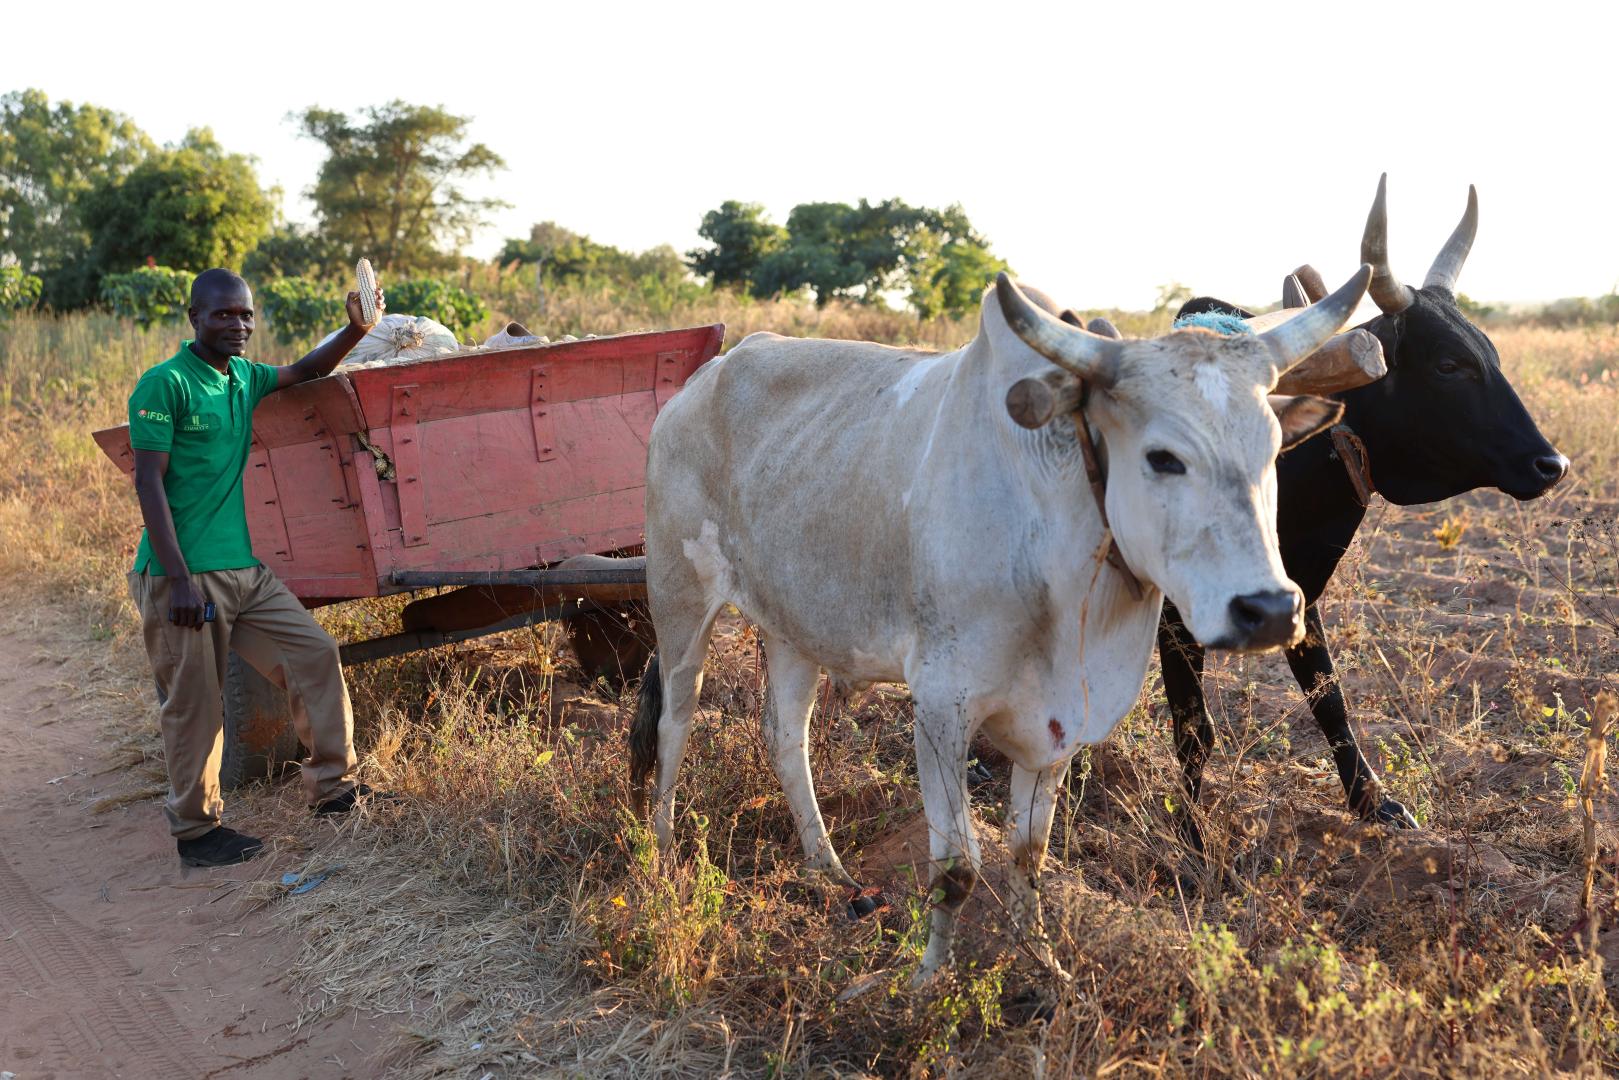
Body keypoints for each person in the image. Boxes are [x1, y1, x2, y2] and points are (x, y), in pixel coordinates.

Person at [127, 268, 387, 868]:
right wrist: (181, 582)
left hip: (243, 572)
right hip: (181, 577)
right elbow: (148, 483)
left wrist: (355, 330)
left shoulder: (244, 377)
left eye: (245, 315)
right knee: (198, 705)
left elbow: (305, 372)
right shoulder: (163, 385)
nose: (237, 325)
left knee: (315, 654)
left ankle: (334, 788)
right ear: (194, 317)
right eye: (223, 314)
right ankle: (196, 833)